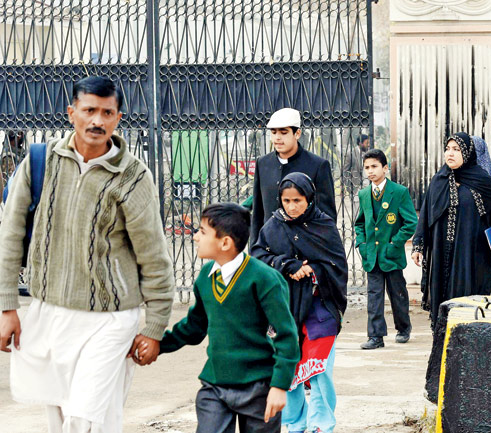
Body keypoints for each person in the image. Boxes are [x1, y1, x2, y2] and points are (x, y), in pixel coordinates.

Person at [0, 76, 175, 432]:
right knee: (61, 417)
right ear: (72, 113)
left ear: (118, 118)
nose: (97, 120)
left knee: (85, 417)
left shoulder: (133, 176)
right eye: (89, 110)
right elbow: (11, 236)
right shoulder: (40, 162)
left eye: (107, 113)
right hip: (49, 312)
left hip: (110, 319)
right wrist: (7, 307)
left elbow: (154, 256)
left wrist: (155, 326)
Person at [154, 203, 300, 433]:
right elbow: (194, 327)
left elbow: (286, 335)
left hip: (259, 387)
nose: (195, 237)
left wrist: (279, 386)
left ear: (225, 243)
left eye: (202, 232)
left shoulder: (264, 279)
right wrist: (157, 345)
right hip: (215, 384)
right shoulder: (206, 277)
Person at [251, 173, 347, 433]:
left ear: (309, 199)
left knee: (319, 369)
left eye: (297, 200)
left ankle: (320, 425)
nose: (291, 207)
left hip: (320, 309)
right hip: (284, 311)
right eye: (286, 201)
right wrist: (287, 265)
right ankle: (294, 424)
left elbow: (337, 265)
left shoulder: (323, 225)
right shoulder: (273, 225)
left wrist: (312, 270)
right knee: (289, 368)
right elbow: (258, 256)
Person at [411, 132, 491, 324]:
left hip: (472, 254)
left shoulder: (483, 181)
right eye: (447, 149)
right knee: (443, 297)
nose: (450, 153)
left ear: (467, 153)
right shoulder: (438, 180)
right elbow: (425, 215)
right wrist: (418, 245)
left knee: (469, 300)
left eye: (456, 149)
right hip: (442, 252)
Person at [354, 149, 418, 349]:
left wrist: (395, 243)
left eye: (374, 166)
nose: (370, 171)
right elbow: (360, 223)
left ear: (385, 168)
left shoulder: (399, 192)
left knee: (397, 294)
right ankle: (376, 336)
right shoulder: (364, 194)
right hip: (371, 255)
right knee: (374, 296)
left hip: (391, 255)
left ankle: (403, 328)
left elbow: (411, 222)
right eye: (367, 167)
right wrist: (362, 244)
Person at [250, 108, 336, 245]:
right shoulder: (263, 163)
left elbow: (327, 217)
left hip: (305, 248)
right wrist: (255, 248)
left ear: (297, 133)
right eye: (273, 132)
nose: (277, 138)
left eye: (283, 132)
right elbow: (258, 213)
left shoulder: (318, 165)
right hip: (269, 247)